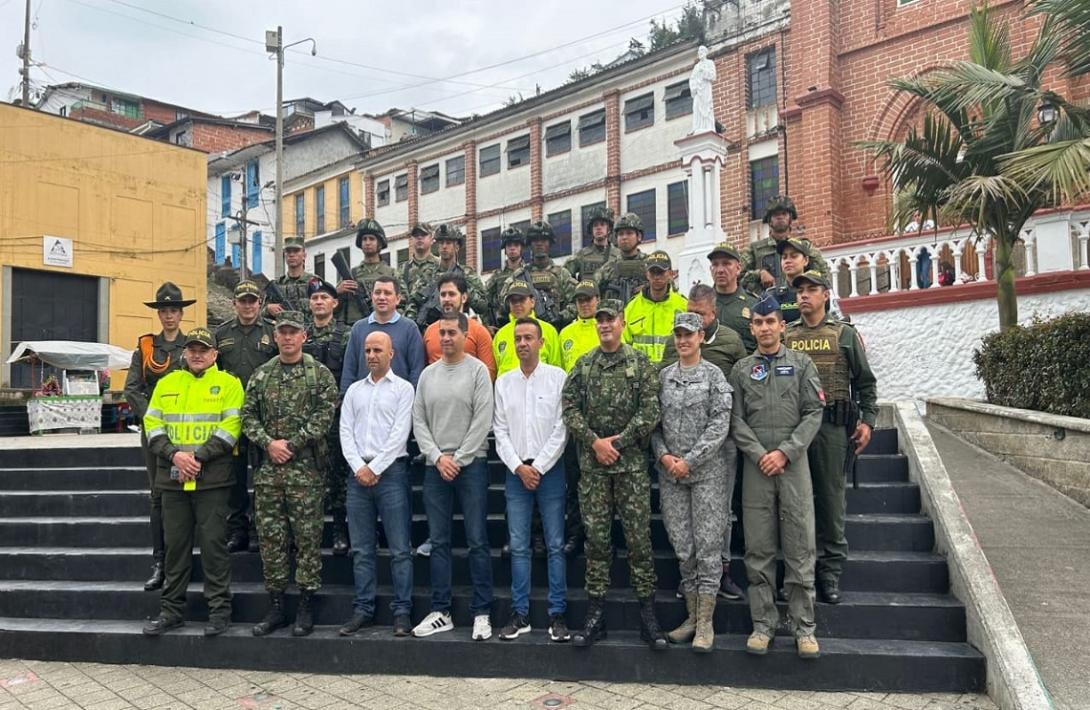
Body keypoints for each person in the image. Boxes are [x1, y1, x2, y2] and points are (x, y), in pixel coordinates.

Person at [561, 299, 666, 650]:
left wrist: (617, 443)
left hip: (631, 468)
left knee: (639, 541)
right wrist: (594, 442)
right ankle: (596, 615)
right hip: (593, 469)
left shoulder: (640, 364)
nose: (605, 325)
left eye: (610, 320)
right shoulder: (585, 364)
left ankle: (648, 616)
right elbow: (570, 407)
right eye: (600, 321)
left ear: (622, 323)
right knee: (597, 542)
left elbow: (651, 410)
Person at [729, 293, 825, 659]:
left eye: (771, 322)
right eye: (758, 322)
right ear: (751, 328)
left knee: (800, 546)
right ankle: (763, 625)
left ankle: (804, 629)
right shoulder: (741, 370)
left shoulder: (801, 364)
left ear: (782, 326)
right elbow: (735, 419)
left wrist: (785, 452)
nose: (765, 328)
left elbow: (814, 411)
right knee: (759, 548)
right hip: (757, 468)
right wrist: (759, 454)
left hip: (793, 465)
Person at [140, 328, 243, 637]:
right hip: (173, 478)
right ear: (184, 352)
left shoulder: (229, 384)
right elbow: (152, 423)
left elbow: (231, 427)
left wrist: (196, 457)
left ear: (215, 354)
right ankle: (171, 611)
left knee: (214, 547)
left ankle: (219, 611)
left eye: (204, 349)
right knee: (175, 548)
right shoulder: (166, 383)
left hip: (211, 479)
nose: (198, 354)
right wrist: (175, 456)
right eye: (192, 349)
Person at [242, 311, 339, 638]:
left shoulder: (319, 375)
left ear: (304, 336)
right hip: (269, 474)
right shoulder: (261, 375)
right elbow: (247, 417)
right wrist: (269, 444)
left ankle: (306, 605)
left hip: (305, 474)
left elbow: (324, 417)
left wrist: (292, 445)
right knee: (272, 540)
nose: (286, 337)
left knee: (307, 539)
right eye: (282, 332)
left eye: (292, 332)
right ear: (275, 336)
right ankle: (277, 605)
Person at [786, 270, 878, 604]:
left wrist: (868, 421)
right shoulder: (787, 336)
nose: (804, 296)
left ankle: (830, 572)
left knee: (830, 500)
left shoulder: (843, 335)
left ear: (826, 295)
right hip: (795, 429)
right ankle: (799, 570)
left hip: (831, 428)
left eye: (812, 290)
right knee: (796, 503)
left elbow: (866, 382)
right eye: (800, 291)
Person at [659, 283, 747, 601]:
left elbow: (741, 382)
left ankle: (720, 572)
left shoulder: (731, 341)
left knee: (718, 513)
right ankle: (692, 579)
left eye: (700, 315)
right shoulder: (675, 347)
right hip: (679, 445)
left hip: (720, 444)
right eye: (690, 313)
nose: (695, 320)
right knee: (683, 520)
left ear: (712, 313)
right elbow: (663, 389)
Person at [411, 312, 495, 640]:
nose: (445, 338)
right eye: (440, 333)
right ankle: (440, 610)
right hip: (435, 466)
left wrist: (457, 459)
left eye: (451, 332)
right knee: (439, 541)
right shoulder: (428, 375)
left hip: (471, 464)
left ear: (464, 334)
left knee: (477, 540)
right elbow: (419, 419)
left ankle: (482, 611)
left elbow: (482, 419)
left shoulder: (477, 372)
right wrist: (436, 457)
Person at [652, 312, 732, 652]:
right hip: (671, 475)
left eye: (689, 334)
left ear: (701, 337)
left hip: (706, 475)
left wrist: (690, 460)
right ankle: (690, 618)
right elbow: (653, 424)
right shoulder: (664, 378)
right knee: (683, 546)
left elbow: (720, 424)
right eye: (679, 335)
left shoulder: (714, 376)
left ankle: (705, 624)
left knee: (707, 546)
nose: (683, 340)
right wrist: (666, 457)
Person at [493, 318, 570, 643]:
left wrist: (537, 466)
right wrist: (519, 467)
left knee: (554, 545)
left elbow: (562, 428)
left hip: (549, 471)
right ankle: (520, 613)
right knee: (520, 546)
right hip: (515, 473)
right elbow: (499, 430)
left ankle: (558, 615)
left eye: (528, 338)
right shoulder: (504, 382)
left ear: (541, 343)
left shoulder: (557, 379)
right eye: (518, 338)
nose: (522, 343)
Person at [339, 331, 416, 637]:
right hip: (357, 476)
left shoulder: (403, 390)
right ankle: (363, 609)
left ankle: (402, 612)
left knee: (399, 549)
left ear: (391, 354)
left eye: (377, 350)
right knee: (361, 549)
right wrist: (360, 467)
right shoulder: (355, 391)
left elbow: (401, 432)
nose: (371, 355)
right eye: (367, 350)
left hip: (391, 474)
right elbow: (345, 431)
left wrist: (376, 467)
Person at [124, 282, 195, 592]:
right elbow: (131, 388)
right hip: (155, 433)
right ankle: (160, 562)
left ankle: (184, 561)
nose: (169, 316)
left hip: (188, 431)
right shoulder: (146, 347)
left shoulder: (192, 346)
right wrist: (155, 415)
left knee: (189, 495)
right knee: (157, 497)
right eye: (164, 311)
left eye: (173, 311)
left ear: (181, 315)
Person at [215, 280, 278, 554]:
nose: (248, 305)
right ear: (234, 304)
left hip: (264, 416)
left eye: (253, 301)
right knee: (235, 476)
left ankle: (261, 530)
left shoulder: (273, 332)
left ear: (260, 304)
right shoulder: (220, 334)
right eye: (243, 301)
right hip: (232, 416)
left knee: (265, 476)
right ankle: (238, 529)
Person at [303, 278, 351, 556]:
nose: (319, 302)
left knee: (338, 478)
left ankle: (340, 530)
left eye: (324, 297)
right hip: (306, 417)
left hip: (336, 417)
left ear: (335, 303)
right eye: (315, 298)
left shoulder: (345, 334)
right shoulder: (300, 334)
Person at [556, 279, 601, 555]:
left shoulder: (605, 328)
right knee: (574, 482)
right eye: (580, 300)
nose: (584, 304)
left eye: (589, 299)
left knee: (602, 486)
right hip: (575, 418)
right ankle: (576, 534)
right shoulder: (566, 334)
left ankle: (601, 538)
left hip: (603, 416)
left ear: (597, 299)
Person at [340, 276, 425, 393]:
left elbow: (416, 370)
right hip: (363, 400)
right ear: (371, 296)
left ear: (398, 298)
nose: (382, 297)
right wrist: (345, 396)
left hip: (398, 400)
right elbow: (349, 369)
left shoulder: (409, 328)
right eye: (377, 293)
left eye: (387, 293)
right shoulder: (358, 328)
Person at [741, 195, 829, 295]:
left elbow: (823, 277)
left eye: (784, 214)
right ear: (769, 220)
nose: (780, 217)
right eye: (775, 215)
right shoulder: (754, 249)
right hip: (766, 304)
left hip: (798, 301)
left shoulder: (804, 247)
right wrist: (759, 274)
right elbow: (737, 278)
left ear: (790, 218)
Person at [406, 224, 488, 328]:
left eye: (448, 243)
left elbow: (483, 306)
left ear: (457, 247)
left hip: (458, 329)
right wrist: (412, 326)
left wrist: (464, 287)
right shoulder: (427, 274)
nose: (444, 246)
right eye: (441, 243)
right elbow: (413, 302)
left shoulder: (466, 274)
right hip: (429, 330)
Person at [423, 273, 497, 380]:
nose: (446, 299)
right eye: (443, 295)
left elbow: (489, 373)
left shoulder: (479, 331)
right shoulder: (430, 331)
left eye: (451, 294)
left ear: (464, 297)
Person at [622, 251, 688, 363]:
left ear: (671, 274)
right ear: (647, 274)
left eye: (661, 272)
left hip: (673, 370)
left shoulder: (683, 306)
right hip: (641, 372)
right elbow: (623, 343)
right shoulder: (632, 307)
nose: (657, 277)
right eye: (653, 272)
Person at [512, 221, 577, 329]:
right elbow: (504, 301)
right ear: (530, 244)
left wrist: (561, 316)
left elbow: (578, 301)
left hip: (557, 331)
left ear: (550, 243)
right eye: (535, 240)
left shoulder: (562, 274)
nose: (539, 243)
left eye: (543, 240)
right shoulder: (520, 275)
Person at [492, 281, 562, 377]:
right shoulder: (500, 335)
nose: (517, 304)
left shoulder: (548, 331)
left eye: (521, 300)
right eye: (513, 301)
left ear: (532, 302)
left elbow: (556, 368)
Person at [337, 219, 397, 326]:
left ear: (379, 243)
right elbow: (335, 306)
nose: (367, 243)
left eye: (372, 239)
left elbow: (401, 303)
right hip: (354, 326)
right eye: (364, 239)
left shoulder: (391, 273)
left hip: (384, 325)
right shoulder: (352, 274)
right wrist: (338, 292)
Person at [707, 243, 757, 353]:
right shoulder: (703, 304)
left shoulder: (753, 305)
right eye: (715, 264)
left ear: (738, 268)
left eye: (726, 264)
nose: (720, 270)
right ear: (710, 269)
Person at [593, 213, 648, 305]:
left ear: (639, 237)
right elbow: (591, 297)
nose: (624, 237)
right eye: (620, 234)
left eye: (629, 233)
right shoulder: (606, 270)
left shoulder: (651, 266)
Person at [484, 226, 528, 328]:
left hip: (527, 323)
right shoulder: (497, 276)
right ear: (505, 249)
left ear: (521, 248)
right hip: (503, 325)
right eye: (509, 245)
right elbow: (485, 301)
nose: (512, 248)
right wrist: (487, 325)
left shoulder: (529, 272)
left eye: (516, 245)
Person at [265, 236, 317, 319]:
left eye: (296, 251)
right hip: (284, 330)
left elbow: (327, 307)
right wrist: (268, 309)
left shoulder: (314, 281)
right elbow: (258, 312)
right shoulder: (277, 285)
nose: (292, 255)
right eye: (288, 252)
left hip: (310, 329)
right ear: (285, 255)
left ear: (304, 255)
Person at [763, 237, 812, 324]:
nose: (788, 261)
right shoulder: (771, 295)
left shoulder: (819, 290)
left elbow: (836, 322)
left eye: (794, 256)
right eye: (784, 257)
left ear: (806, 260)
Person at [565, 206, 618, 282]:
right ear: (591, 229)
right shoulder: (581, 255)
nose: (598, 228)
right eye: (595, 225)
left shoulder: (618, 255)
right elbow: (564, 276)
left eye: (602, 224)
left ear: (609, 229)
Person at [398, 223, 440, 301]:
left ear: (431, 239)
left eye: (423, 235)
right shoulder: (403, 269)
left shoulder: (440, 265)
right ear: (411, 239)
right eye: (416, 235)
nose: (419, 238)